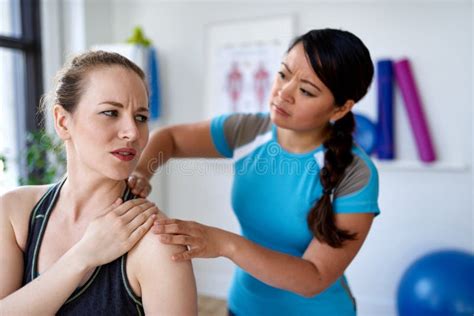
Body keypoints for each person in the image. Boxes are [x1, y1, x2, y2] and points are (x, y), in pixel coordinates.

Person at [129, 28, 379, 315]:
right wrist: (142, 173)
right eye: (283, 74)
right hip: (243, 306)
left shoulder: (356, 174)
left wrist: (224, 244)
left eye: (306, 91)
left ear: (340, 108)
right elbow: (169, 139)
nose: (283, 93)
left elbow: (314, 277)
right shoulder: (248, 131)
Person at [0, 51, 197, 315]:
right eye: (110, 112)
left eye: (141, 117)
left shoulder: (158, 242)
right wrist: (83, 256)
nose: (132, 132)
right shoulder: (14, 212)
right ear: (62, 121)